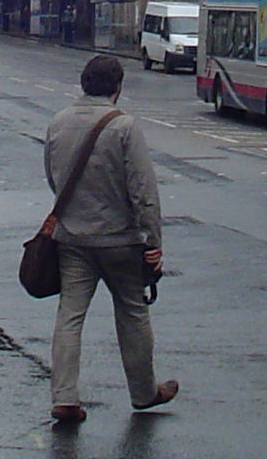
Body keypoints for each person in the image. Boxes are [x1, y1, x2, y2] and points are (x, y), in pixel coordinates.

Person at [44, 54, 175, 424]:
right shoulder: (124, 127)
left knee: (70, 315)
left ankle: (64, 396)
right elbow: (143, 190)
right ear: (117, 87)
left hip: (72, 238)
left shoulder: (58, 122)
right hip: (120, 240)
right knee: (133, 313)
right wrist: (153, 242)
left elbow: (53, 178)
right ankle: (143, 391)